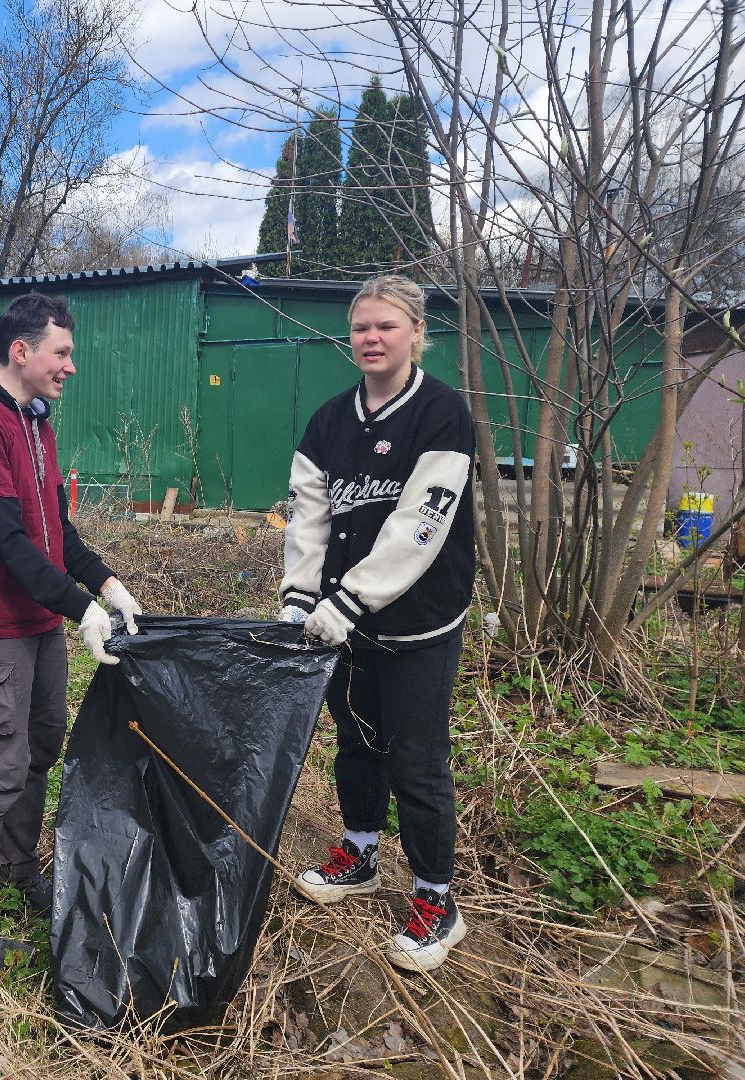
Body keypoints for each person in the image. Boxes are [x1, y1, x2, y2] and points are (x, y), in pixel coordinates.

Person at [0, 292, 144, 969]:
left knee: (40, 746)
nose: (70, 366)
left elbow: (56, 533)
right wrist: (84, 612)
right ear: (21, 352)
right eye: (62, 352)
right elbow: (10, 544)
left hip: (40, 618)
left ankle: (18, 867)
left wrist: (106, 584)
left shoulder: (34, 421)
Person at [277, 273, 475, 974]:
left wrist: (351, 599)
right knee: (357, 744)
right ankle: (359, 852)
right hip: (343, 623)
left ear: (416, 333)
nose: (371, 338)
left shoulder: (443, 415)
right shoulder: (328, 422)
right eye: (361, 327)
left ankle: (435, 901)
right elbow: (309, 517)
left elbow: (419, 525)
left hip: (417, 620)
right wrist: (300, 597)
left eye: (386, 326)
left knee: (416, 761)